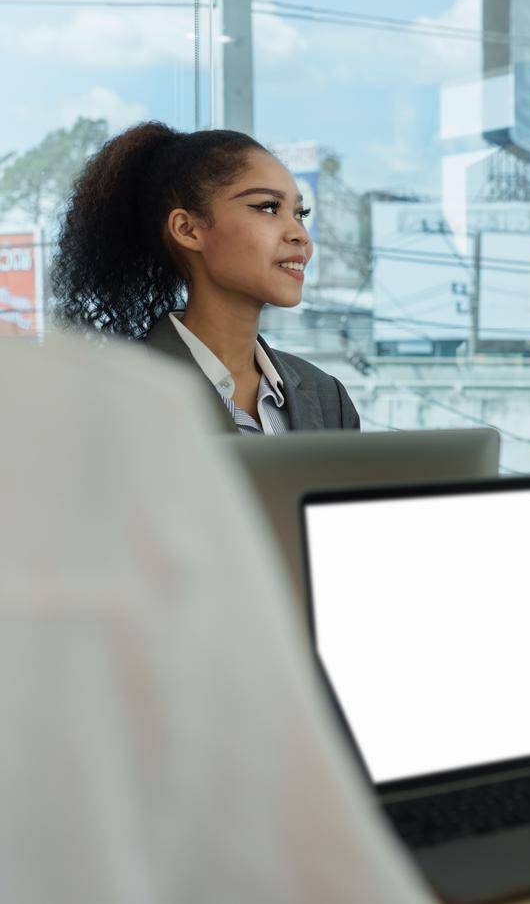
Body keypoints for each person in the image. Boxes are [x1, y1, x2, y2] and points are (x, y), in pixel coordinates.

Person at [0, 334, 428, 901]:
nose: (301, 238)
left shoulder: (323, 392)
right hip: (209, 706)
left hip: (331, 696)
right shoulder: (130, 398)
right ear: (191, 236)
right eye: (279, 231)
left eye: (305, 232)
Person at [52, 121, 360, 433]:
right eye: (268, 207)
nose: (300, 235)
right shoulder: (111, 396)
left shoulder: (327, 397)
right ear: (188, 230)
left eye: (300, 214)